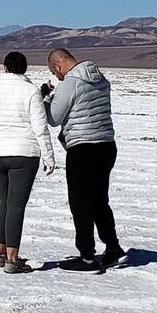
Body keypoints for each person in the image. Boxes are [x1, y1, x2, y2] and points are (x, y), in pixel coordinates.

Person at [42, 48, 123, 273]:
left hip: (83, 148)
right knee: (99, 200)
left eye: (55, 73)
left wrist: (46, 97)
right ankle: (113, 247)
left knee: (80, 203)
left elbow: (53, 118)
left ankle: (87, 257)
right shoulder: (100, 78)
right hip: (106, 145)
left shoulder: (71, 83)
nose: (58, 77)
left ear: (58, 66)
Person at [0, 51, 58, 274]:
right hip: (24, 154)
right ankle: (12, 259)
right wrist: (49, 157)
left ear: (4, 67)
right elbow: (40, 127)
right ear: (25, 68)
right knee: (16, 206)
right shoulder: (30, 91)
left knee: (5, 203)